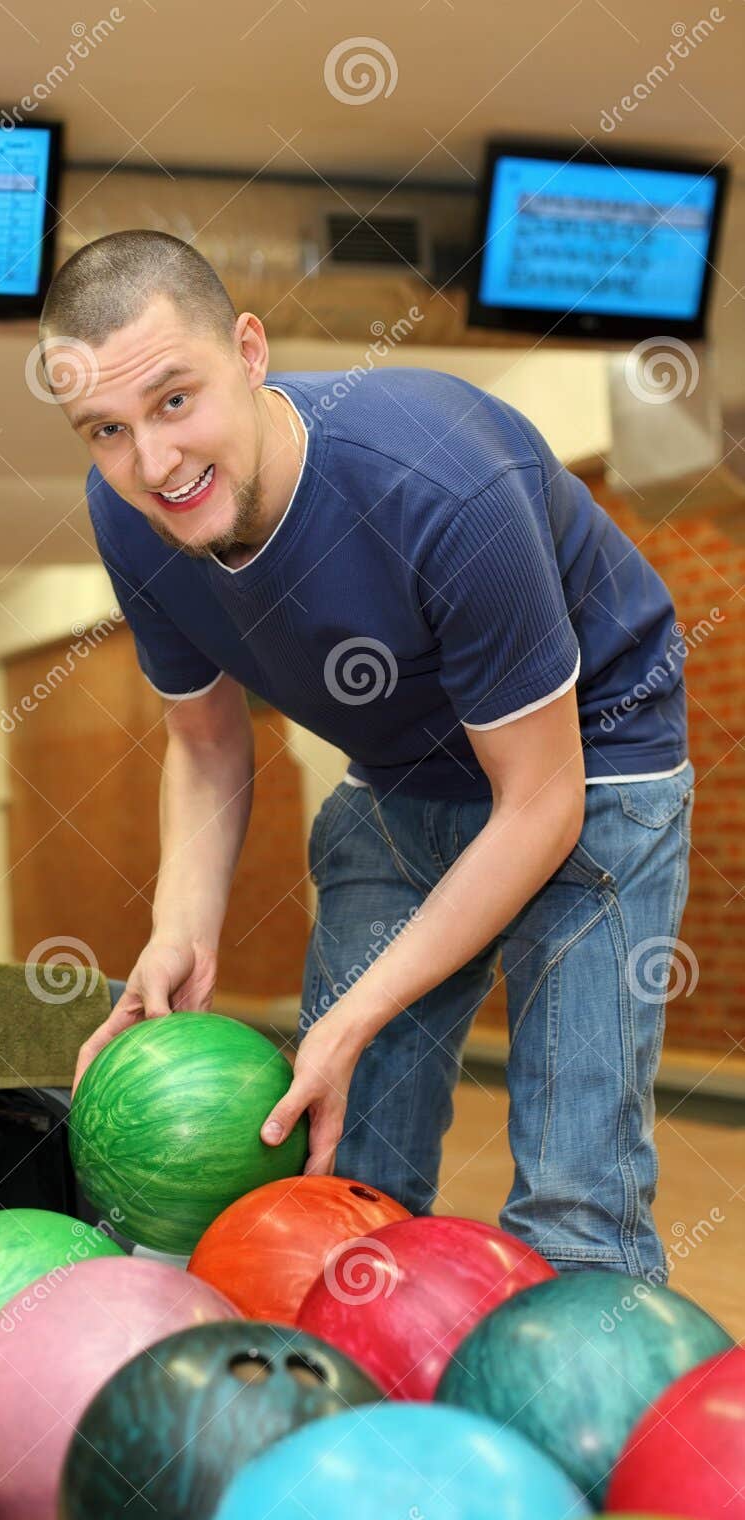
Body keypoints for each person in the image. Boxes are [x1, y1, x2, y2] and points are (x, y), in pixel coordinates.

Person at [40, 229, 693, 1281]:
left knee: (574, 1207)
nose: (152, 462)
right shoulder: (130, 518)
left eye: (174, 400)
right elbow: (207, 745)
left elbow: (538, 805)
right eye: (105, 429)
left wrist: (352, 1015)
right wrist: (178, 931)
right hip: (394, 779)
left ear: (249, 351)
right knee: (342, 1177)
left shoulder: (438, 487)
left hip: (591, 759)